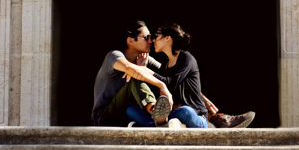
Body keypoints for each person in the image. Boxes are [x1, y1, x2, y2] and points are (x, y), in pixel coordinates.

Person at [127, 22, 255, 129]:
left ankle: (162, 123)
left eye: (157, 36)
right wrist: (141, 68)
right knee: (131, 110)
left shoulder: (186, 58)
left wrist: (142, 69)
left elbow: (170, 82)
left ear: (168, 38)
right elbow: (157, 79)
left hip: (196, 115)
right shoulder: (165, 65)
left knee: (185, 112)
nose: (153, 40)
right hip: (174, 114)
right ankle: (165, 124)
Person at [91, 20, 174, 127]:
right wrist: (161, 85)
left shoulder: (145, 59)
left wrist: (200, 98)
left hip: (129, 112)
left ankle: (159, 118)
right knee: (135, 76)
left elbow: (171, 75)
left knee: (140, 74)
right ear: (130, 40)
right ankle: (155, 111)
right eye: (146, 37)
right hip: (105, 117)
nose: (150, 41)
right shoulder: (114, 56)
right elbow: (129, 68)